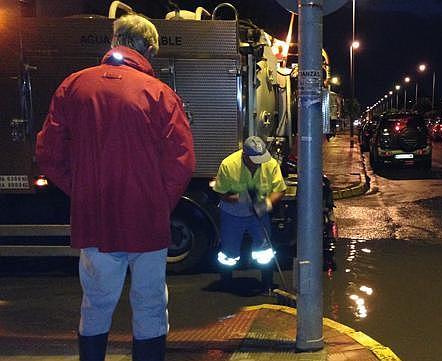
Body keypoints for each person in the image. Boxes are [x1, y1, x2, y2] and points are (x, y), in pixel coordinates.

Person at [35, 14, 195, 361]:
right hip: (147, 224)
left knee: (95, 303)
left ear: (114, 42)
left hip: (95, 218)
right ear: (148, 48)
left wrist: (81, 191)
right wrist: (157, 203)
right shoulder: (159, 94)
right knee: (150, 304)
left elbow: (48, 153)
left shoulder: (74, 85)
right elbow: (182, 162)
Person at [211, 136, 287, 288]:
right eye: (255, 159)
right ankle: (226, 282)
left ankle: (267, 283)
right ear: (244, 155)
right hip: (232, 214)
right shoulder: (228, 165)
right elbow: (220, 192)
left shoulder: (270, 164)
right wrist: (235, 198)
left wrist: (266, 204)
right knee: (229, 253)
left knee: (264, 251)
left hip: (259, 212)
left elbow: (280, 189)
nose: (259, 162)